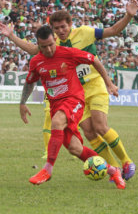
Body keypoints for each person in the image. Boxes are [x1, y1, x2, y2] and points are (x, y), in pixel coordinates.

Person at [0, 0, 138, 181]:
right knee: (89, 132)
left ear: (70, 24)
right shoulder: (52, 43)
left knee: (99, 125)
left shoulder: (86, 33)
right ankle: (113, 169)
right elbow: (34, 51)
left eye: (63, 27)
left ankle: (127, 161)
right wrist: (11, 36)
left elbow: (113, 31)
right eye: (56, 28)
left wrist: (128, 15)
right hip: (74, 91)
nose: (60, 31)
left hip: (94, 84)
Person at [20, 25, 125, 189]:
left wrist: (109, 83)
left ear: (55, 40)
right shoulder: (36, 61)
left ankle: (47, 169)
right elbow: (30, 81)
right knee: (75, 148)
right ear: (38, 45)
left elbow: (94, 59)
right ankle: (114, 171)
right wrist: (22, 103)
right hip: (56, 104)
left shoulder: (68, 53)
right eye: (43, 47)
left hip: (74, 99)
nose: (48, 49)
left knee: (56, 122)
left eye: (50, 45)